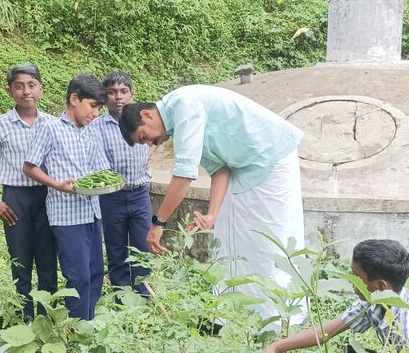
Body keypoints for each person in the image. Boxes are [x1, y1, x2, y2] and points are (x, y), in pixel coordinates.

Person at [118, 84, 305, 323]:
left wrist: (159, 223)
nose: (152, 144)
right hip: (245, 168)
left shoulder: (184, 104)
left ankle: (281, 320)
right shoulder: (179, 122)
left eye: (145, 137)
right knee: (233, 241)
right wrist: (213, 214)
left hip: (270, 159)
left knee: (268, 242)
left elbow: (185, 173)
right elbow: (220, 169)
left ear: (146, 115)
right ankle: (237, 317)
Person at [0, 63, 57, 323]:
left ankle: (47, 313)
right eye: (19, 86)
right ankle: (25, 312)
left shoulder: (52, 124)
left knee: (48, 257)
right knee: (20, 257)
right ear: (10, 92)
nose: (25, 91)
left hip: (47, 197)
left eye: (31, 85)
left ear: (41, 89)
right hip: (15, 199)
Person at [264, 239, 409, 353]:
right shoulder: (377, 301)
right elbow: (327, 332)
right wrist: (277, 347)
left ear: (380, 285)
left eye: (355, 275)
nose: (350, 280)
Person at [22, 74, 109, 320]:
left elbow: (101, 170)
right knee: (78, 277)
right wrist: (57, 185)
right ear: (74, 99)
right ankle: (76, 329)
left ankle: (87, 325)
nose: (95, 113)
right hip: (67, 215)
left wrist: (108, 181)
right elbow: (30, 167)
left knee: (94, 273)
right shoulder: (50, 128)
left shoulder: (91, 132)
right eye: (92, 106)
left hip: (92, 211)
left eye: (98, 108)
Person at [89, 71, 151, 295]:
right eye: (112, 92)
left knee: (142, 248)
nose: (118, 97)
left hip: (140, 194)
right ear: (105, 97)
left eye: (124, 91)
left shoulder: (144, 120)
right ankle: (122, 299)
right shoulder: (96, 126)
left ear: (132, 94)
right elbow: (100, 162)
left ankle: (144, 296)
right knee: (116, 249)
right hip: (111, 198)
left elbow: (154, 142)